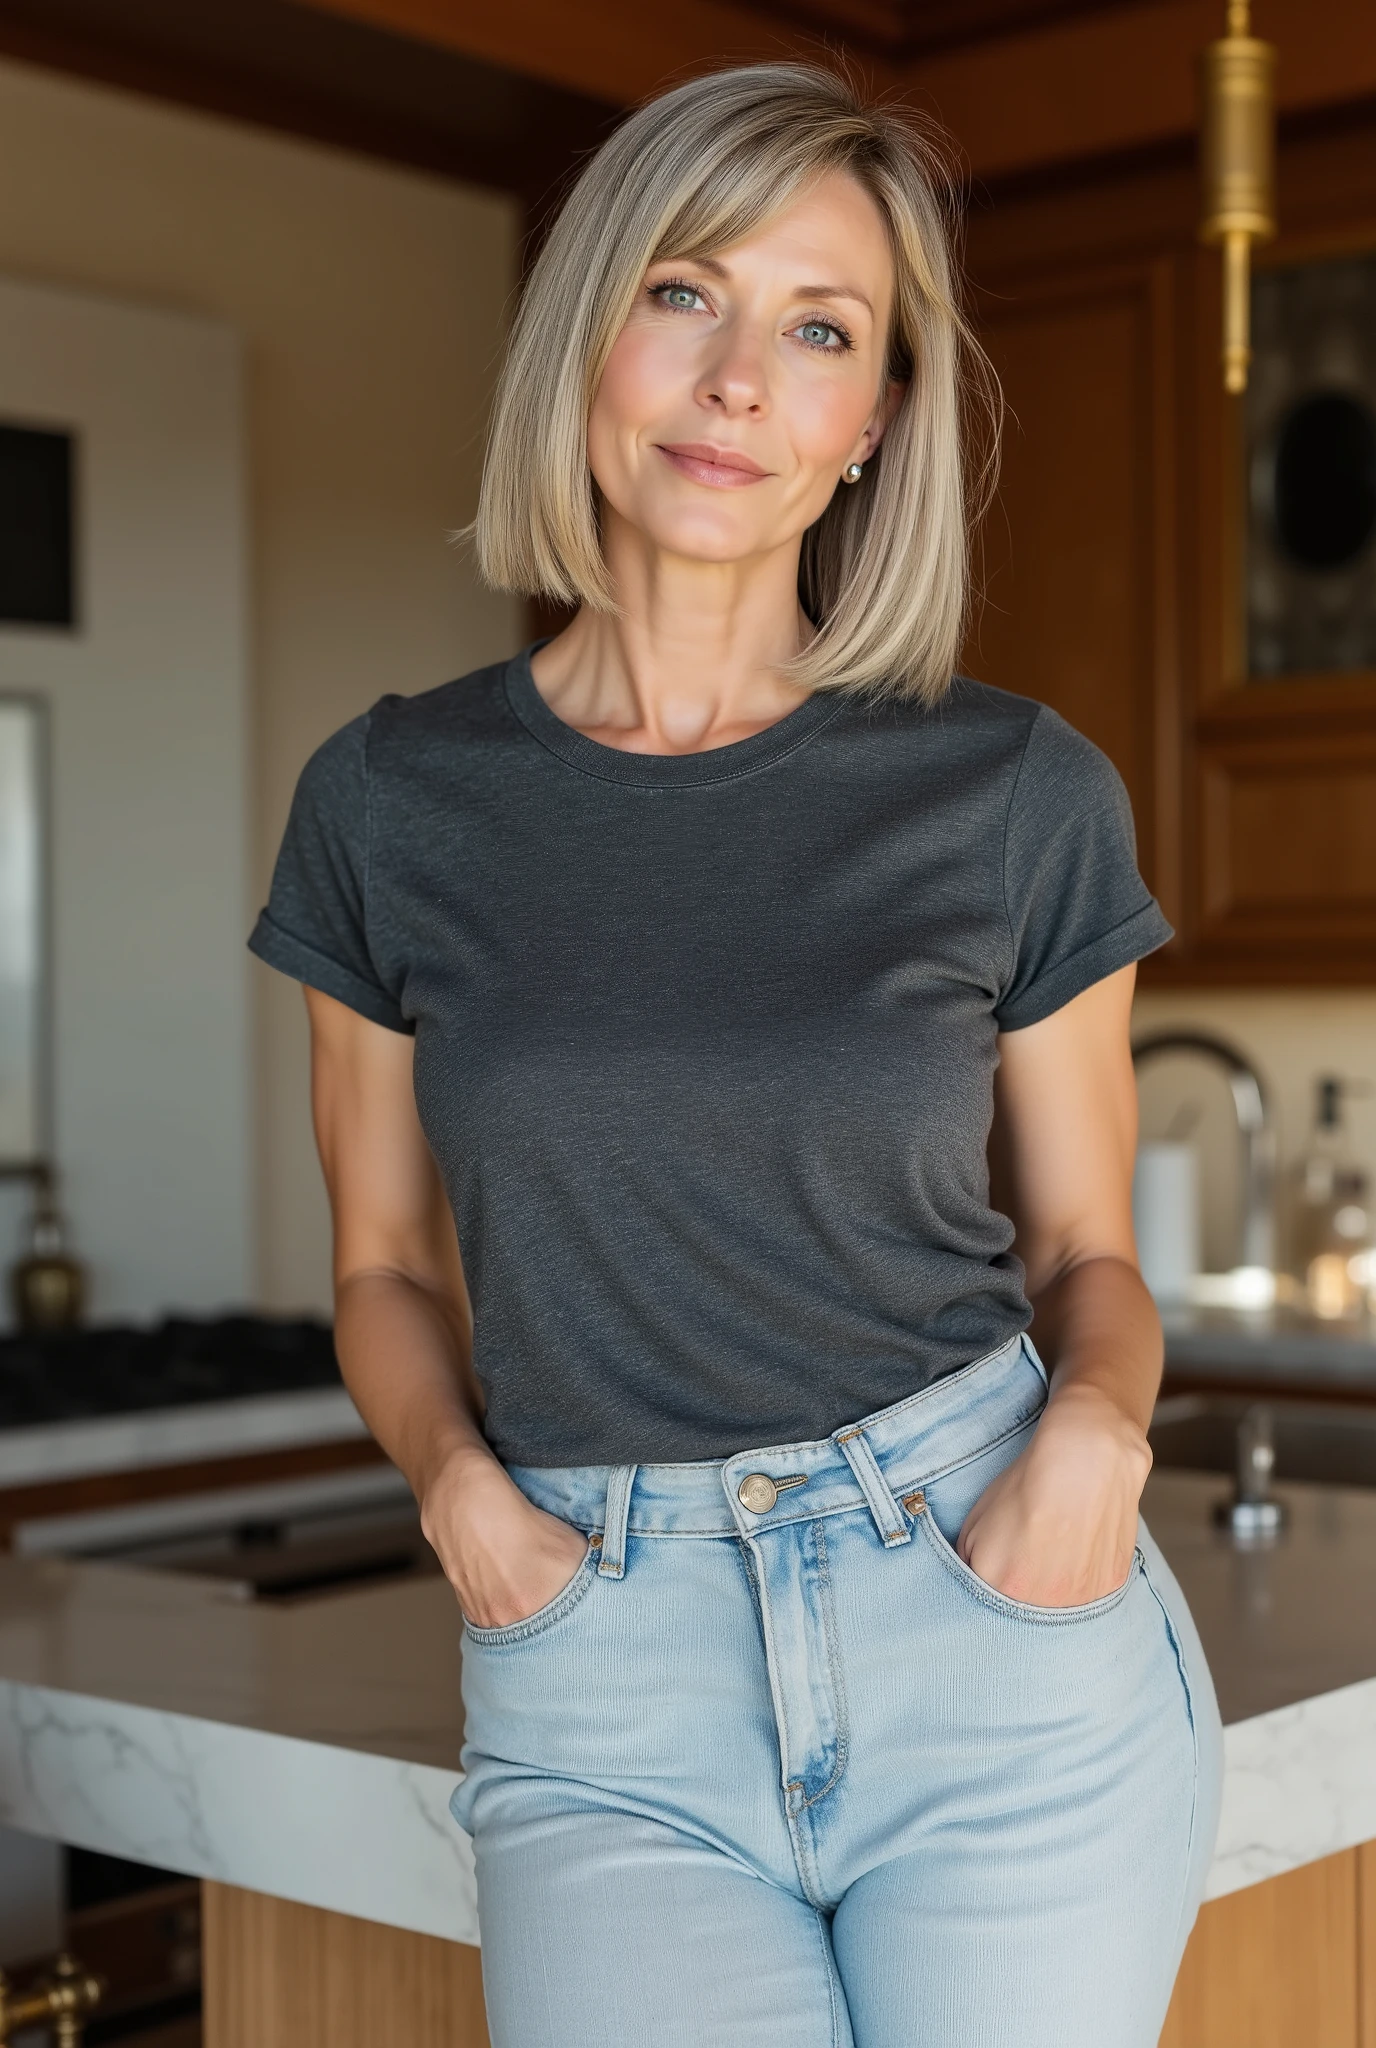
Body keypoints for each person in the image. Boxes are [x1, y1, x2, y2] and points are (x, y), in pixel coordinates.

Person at [250, 61, 1222, 2048]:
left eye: (820, 329)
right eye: (683, 292)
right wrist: (458, 1490)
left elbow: (1085, 1256)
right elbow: (382, 1269)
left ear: (873, 424)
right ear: (587, 335)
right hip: (600, 1673)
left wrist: (1097, 1442)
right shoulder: (388, 802)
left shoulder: (1013, 790)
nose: (737, 380)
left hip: (984, 1608)